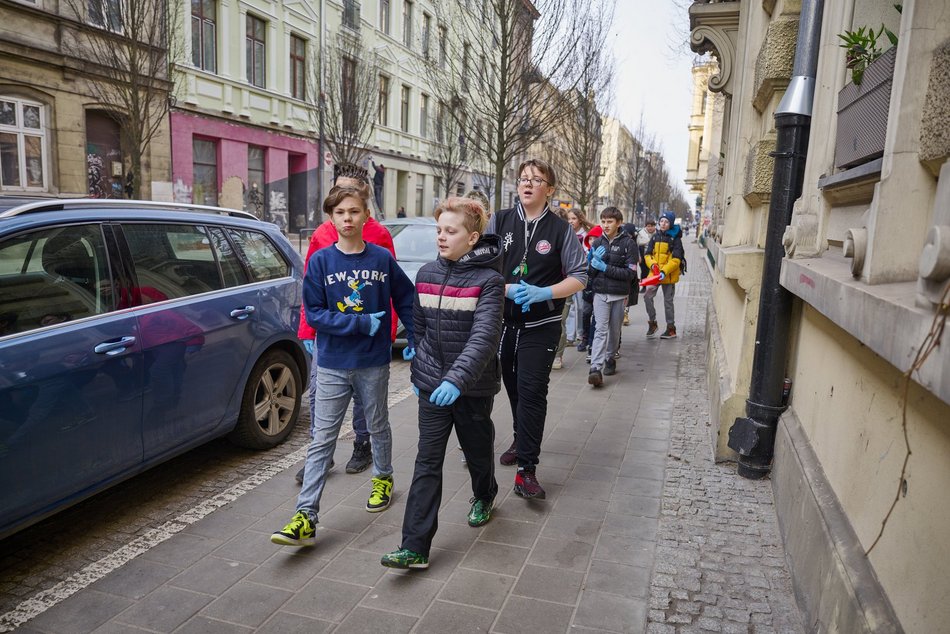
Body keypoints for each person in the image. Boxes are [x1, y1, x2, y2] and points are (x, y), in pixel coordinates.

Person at [271, 185, 416, 547]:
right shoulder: (321, 261)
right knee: (322, 438)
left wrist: (416, 337)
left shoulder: (381, 259)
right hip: (334, 362)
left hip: (373, 362)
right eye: (340, 213)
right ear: (331, 218)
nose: (347, 218)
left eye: (354, 211)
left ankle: (383, 477)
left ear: (366, 215)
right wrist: (357, 322)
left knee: (378, 424)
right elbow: (316, 313)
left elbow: (407, 298)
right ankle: (305, 516)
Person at [380, 197, 504, 570]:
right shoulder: (427, 274)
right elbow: (418, 324)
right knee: (427, 461)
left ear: (473, 238)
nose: (441, 237)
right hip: (433, 387)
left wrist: (456, 379)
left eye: (451, 231)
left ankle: (485, 493)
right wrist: (418, 358)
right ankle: (414, 546)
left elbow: (484, 338)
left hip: (473, 387)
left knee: (478, 451)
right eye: (439, 230)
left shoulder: (491, 281)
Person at [488, 159, 587, 499]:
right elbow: (482, 267)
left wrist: (544, 292)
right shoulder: (499, 221)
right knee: (513, 388)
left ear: (550, 189)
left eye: (536, 179)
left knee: (532, 391)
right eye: (523, 178)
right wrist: (503, 289)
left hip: (541, 325)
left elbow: (580, 276)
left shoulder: (561, 230)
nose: (528, 184)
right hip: (503, 323)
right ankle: (520, 437)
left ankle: (526, 470)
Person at [297, 163, 396, 478]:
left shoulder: (379, 236)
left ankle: (362, 445)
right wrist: (307, 329)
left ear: (364, 198)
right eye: (339, 191)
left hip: (369, 338)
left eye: (353, 192)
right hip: (329, 335)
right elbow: (309, 288)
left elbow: (390, 290)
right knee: (319, 394)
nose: (346, 202)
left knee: (365, 400)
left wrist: (388, 331)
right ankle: (321, 456)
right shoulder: (322, 234)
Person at [586, 207, 638, 387]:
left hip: (619, 294)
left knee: (614, 331)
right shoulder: (597, 242)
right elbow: (590, 273)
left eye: (610, 221)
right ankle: (595, 368)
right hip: (600, 293)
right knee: (600, 329)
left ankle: (610, 358)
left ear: (618, 223)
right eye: (603, 221)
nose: (606, 225)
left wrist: (604, 268)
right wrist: (592, 264)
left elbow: (630, 274)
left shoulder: (629, 244)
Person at [643, 211, 684, 340]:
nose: (663, 224)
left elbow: (676, 260)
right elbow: (648, 255)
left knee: (668, 302)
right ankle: (652, 323)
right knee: (647, 297)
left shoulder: (675, 239)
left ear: (670, 224)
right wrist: (653, 265)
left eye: (666, 222)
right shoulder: (655, 237)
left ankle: (671, 329)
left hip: (668, 276)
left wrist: (664, 271)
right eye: (661, 221)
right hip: (654, 275)